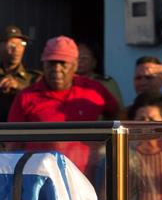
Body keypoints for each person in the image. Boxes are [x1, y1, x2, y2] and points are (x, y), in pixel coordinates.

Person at [7, 36, 119, 174]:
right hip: (41, 179)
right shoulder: (26, 97)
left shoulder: (93, 90)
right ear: (43, 65)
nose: (57, 69)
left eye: (63, 63)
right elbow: (12, 145)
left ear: (75, 65)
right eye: (51, 63)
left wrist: (102, 142)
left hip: (87, 178)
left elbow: (117, 115)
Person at [0, 25, 41, 94]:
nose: (17, 49)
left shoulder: (34, 78)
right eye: (12, 44)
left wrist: (19, 86)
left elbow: (42, 100)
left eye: (21, 44)